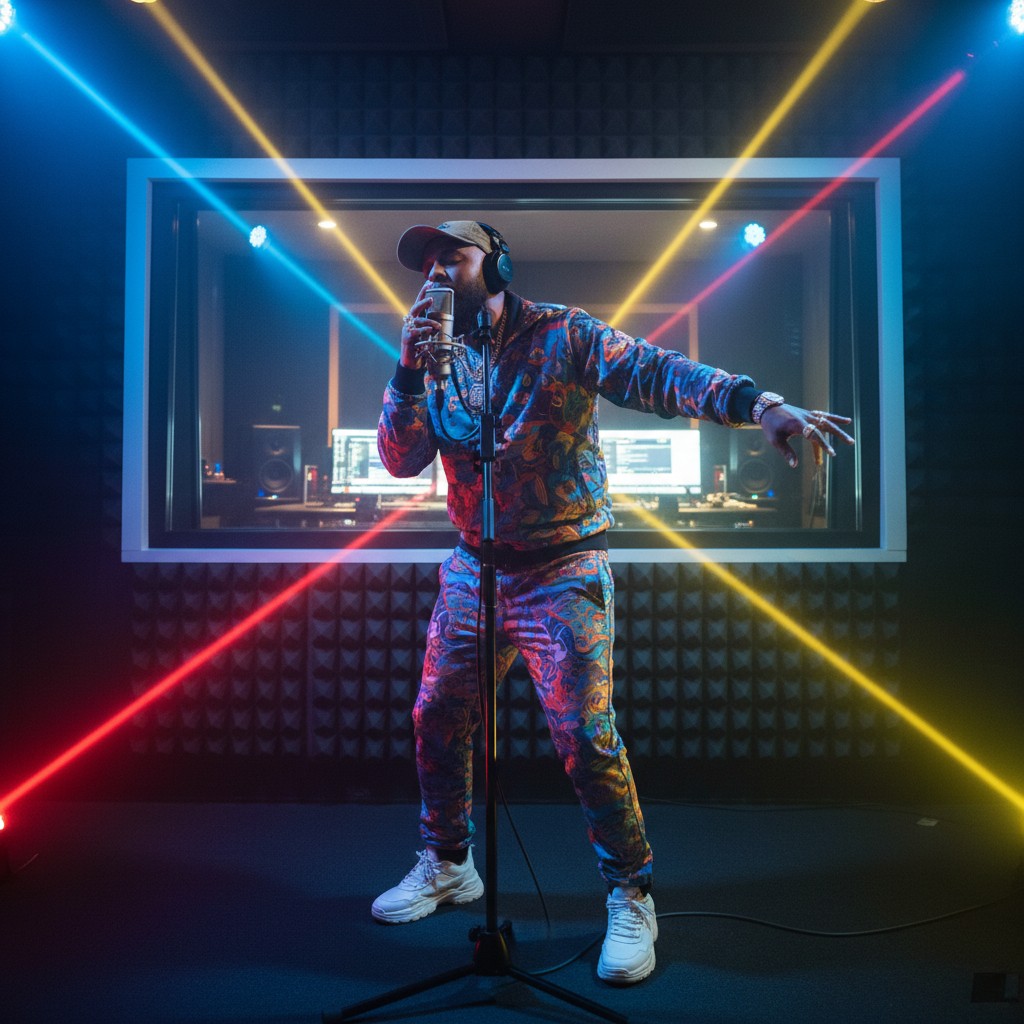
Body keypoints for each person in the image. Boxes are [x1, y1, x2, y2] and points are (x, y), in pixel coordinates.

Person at [372, 220, 854, 984]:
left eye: (451, 257)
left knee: (586, 738)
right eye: (425, 264)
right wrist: (404, 370)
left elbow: (659, 374)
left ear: (495, 263)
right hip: (475, 569)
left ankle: (632, 894)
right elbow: (399, 461)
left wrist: (757, 404)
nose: (435, 274)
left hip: (563, 567)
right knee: (437, 714)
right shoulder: (433, 360)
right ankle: (448, 861)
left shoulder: (563, 334)